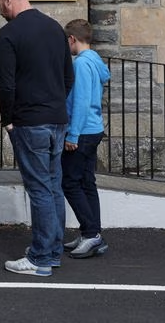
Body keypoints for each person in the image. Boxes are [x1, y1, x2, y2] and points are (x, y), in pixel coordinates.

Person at [0, 0, 74, 277]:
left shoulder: (10, 32)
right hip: (56, 118)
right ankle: (51, 252)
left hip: (30, 120)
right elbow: (68, 76)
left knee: (39, 189)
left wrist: (7, 119)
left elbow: (7, 82)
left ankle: (40, 258)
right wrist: (55, 104)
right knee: (53, 186)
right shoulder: (55, 28)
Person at [62, 19, 111, 259]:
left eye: (66, 41)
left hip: (82, 132)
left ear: (72, 39)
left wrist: (72, 134)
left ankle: (91, 234)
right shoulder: (95, 61)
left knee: (70, 183)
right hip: (94, 129)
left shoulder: (81, 64)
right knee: (86, 182)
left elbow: (80, 101)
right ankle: (91, 233)